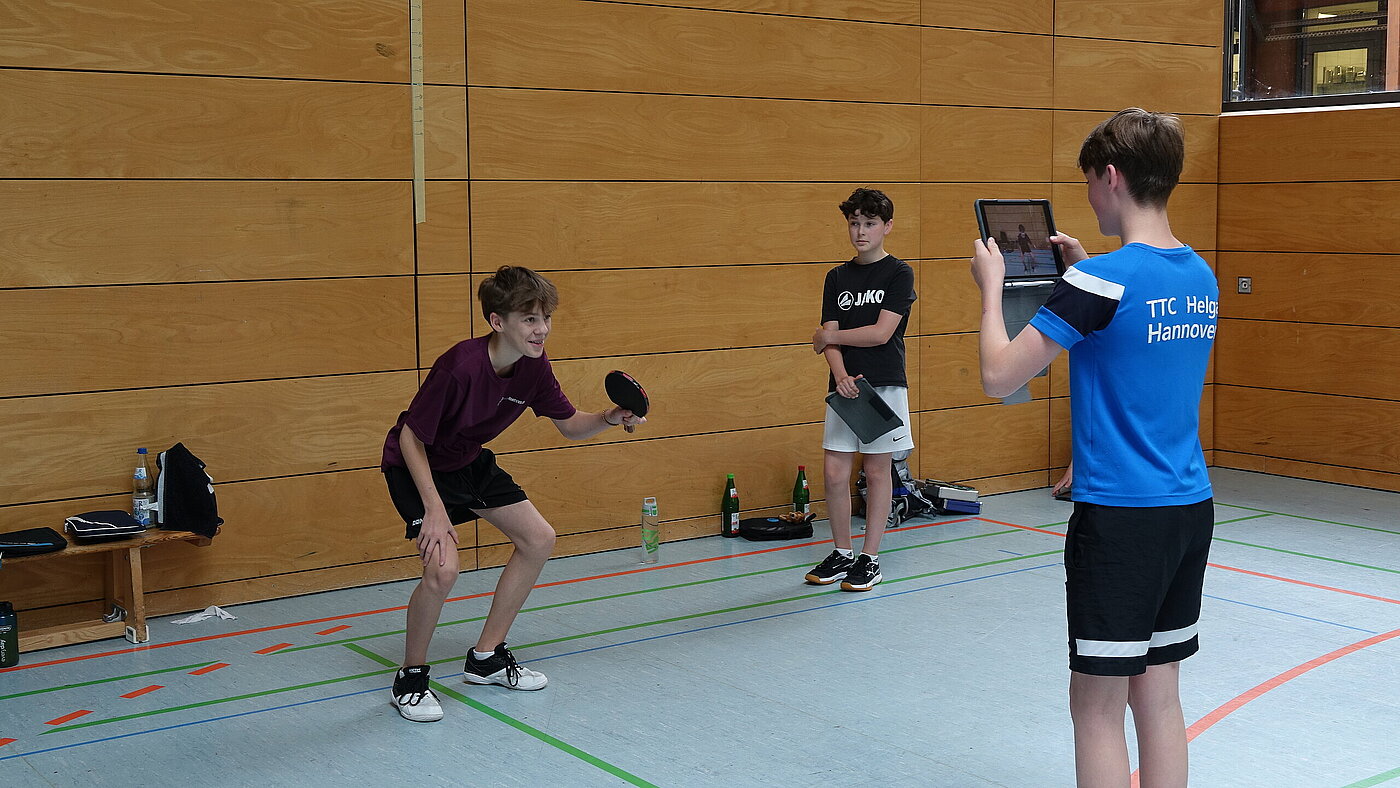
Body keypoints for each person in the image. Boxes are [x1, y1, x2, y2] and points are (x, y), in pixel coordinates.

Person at [970, 108, 1217, 787]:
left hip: (1121, 520)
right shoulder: (1199, 275)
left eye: (1088, 183)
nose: (1088, 198)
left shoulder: (1098, 283)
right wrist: (1082, 272)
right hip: (1187, 510)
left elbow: (999, 375)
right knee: (1158, 697)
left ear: (1111, 177)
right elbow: (1132, 340)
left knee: (1097, 708)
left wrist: (991, 291)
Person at [380, 265, 644, 722]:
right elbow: (411, 437)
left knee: (538, 539)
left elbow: (569, 425)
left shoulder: (534, 367)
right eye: (529, 319)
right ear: (497, 321)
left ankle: (486, 658)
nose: (542, 329)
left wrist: (609, 416)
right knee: (442, 571)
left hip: (467, 461)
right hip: (416, 466)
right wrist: (435, 509)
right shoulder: (460, 367)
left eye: (546, 318)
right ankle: (411, 677)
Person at [806, 188, 917, 592]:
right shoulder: (836, 277)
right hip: (844, 387)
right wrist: (839, 373)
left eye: (869, 223)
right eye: (854, 223)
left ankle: (870, 558)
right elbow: (830, 334)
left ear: (887, 226)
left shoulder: (899, 273)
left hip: (882, 385)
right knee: (834, 472)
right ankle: (842, 552)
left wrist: (828, 337)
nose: (860, 231)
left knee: (875, 470)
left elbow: (881, 333)